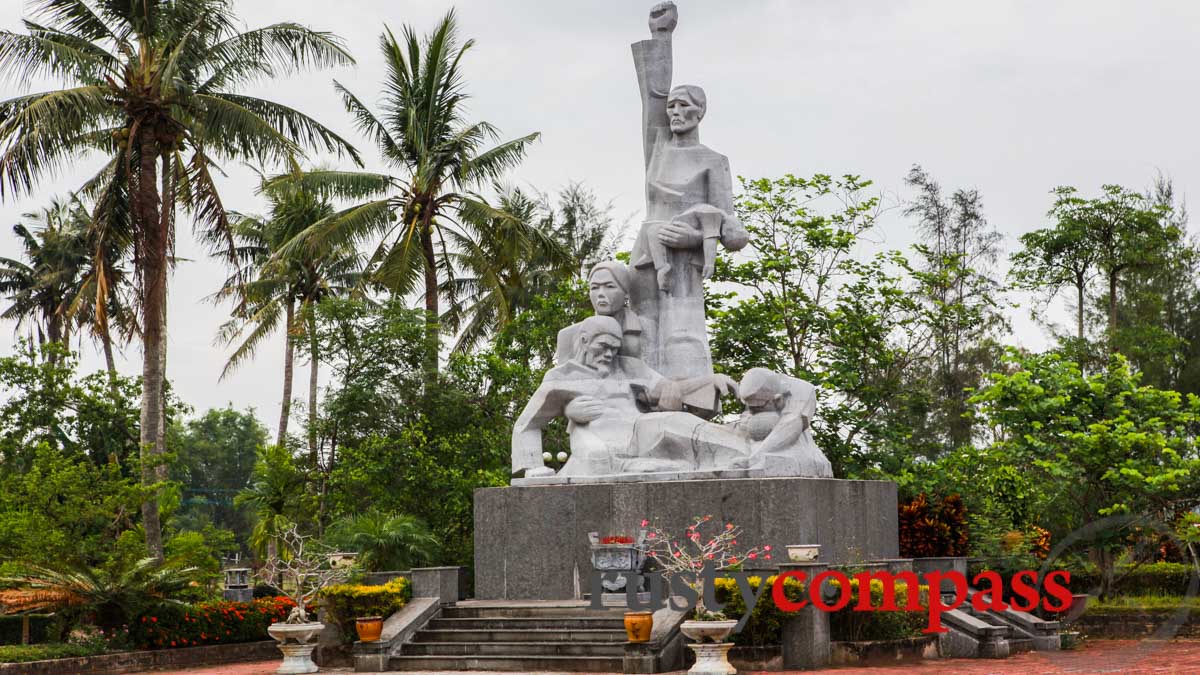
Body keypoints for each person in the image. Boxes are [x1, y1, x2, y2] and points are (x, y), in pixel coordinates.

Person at [629, 1, 749, 414]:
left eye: (685, 106)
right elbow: (652, 95)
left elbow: (735, 233)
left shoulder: (714, 161)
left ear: (700, 112)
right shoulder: (658, 147)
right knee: (642, 334)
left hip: (685, 265)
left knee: (683, 336)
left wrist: (695, 237)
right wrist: (662, 38)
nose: (675, 111)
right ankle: (642, 408)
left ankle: (691, 407)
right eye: (673, 106)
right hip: (647, 254)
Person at [512, 316, 738, 478]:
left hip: (639, 429)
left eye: (614, 348)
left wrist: (709, 381)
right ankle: (643, 466)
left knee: (679, 422)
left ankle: (745, 449)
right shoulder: (561, 376)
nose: (609, 354)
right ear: (583, 341)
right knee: (597, 458)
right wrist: (532, 467)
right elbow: (527, 424)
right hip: (594, 436)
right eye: (603, 346)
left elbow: (669, 386)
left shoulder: (630, 367)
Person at [732, 368, 833, 478]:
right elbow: (746, 417)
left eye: (759, 407)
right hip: (755, 445)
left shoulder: (803, 390)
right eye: (750, 407)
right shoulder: (757, 395)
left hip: (793, 447)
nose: (752, 411)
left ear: (778, 400)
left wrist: (754, 458)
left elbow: (792, 424)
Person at [555, 261, 642, 364]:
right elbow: (561, 376)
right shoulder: (567, 336)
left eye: (609, 286)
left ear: (626, 293)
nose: (600, 294)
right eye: (595, 288)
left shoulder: (646, 329)